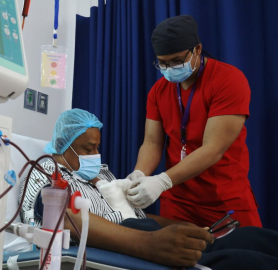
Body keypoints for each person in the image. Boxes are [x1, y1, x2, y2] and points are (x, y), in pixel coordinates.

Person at [19, 109, 278, 269]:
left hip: (142, 231)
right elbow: (60, 215)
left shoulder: (98, 172)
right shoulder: (44, 169)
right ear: (64, 145)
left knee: (251, 237)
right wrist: (149, 244)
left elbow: (134, 215)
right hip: (122, 243)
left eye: (97, 147)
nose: (96, 155)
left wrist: (186, 228)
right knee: (244, 262)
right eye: (88, 149)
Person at [125, 15, 261, 228]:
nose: (169, 68)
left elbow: (213, 148)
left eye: (177, 61)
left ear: (197, 49)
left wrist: (161, 181)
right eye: (163, 63)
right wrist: (139, 174)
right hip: (177, 201)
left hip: (225, 201)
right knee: (175, 260)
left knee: (246, 259)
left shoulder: (228, 81)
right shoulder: (158, 91)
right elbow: (152, 142)